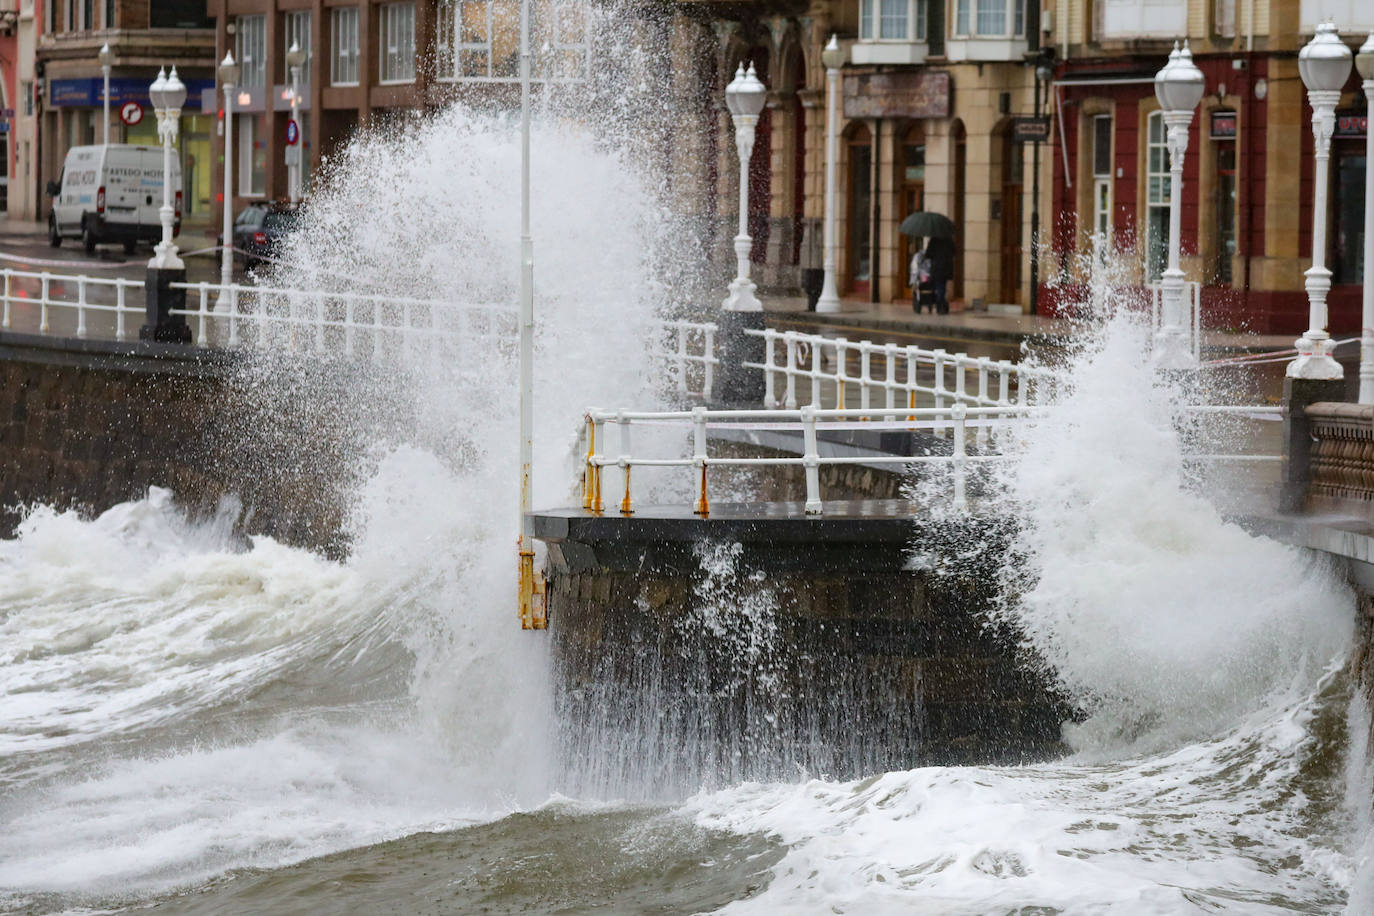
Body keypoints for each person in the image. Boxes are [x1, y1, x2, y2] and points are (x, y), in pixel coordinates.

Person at [925, 237, 955, 315]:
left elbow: (928, 254)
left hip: (936, 268)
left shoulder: (934, 240)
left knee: (939, 287)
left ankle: (939, 305)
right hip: (946, 268)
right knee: (942, 287)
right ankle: (941, 304)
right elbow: (954, 252)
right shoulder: (948, 240)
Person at [909, 246, 932, 313]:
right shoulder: (921, 258)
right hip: (924, 279)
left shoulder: (918, 257)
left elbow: (914, 270)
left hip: (923, 280)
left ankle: (919, 303)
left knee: (918, 289)